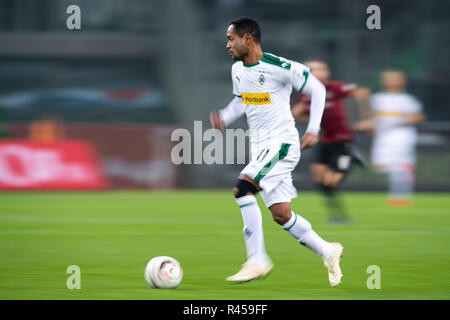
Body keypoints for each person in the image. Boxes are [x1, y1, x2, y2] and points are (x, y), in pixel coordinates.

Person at [209, 17, 343, 287]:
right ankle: (328, 250)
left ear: (248, 38)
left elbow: (317, 88)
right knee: (282, 214)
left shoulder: (277, 66)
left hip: (281, 144)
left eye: (230, 38)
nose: (227, 45)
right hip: (261, 147)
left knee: (243, 189)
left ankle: (257, 260)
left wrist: (314, 129)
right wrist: (225, 116)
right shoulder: (237, 70)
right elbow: (241, 100)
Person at [290, 60, 371, 223]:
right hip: (325, 140)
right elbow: (295, 115)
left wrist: (367, 118)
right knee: (319, 180)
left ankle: (352, 157)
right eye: (313, 70)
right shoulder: (306, 96)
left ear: (327, 73)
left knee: (330, 180)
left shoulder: (335, 88)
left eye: (321, 69)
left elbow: (362, 92)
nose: (318, 72)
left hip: (342, 142)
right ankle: (338, 216)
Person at [358, 70, 425, 206]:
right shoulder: (377, 98)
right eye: (387, 79)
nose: (390, 82)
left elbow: (419, 117)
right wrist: (363, 101)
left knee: (401, 166)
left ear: (402, 81)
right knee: (386, 165)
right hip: (383, 136)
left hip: (401, 135)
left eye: (394, 79)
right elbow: (369, 118)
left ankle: (402, 196)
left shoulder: (407, 99)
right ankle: (397, 194)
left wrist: (400, 118)